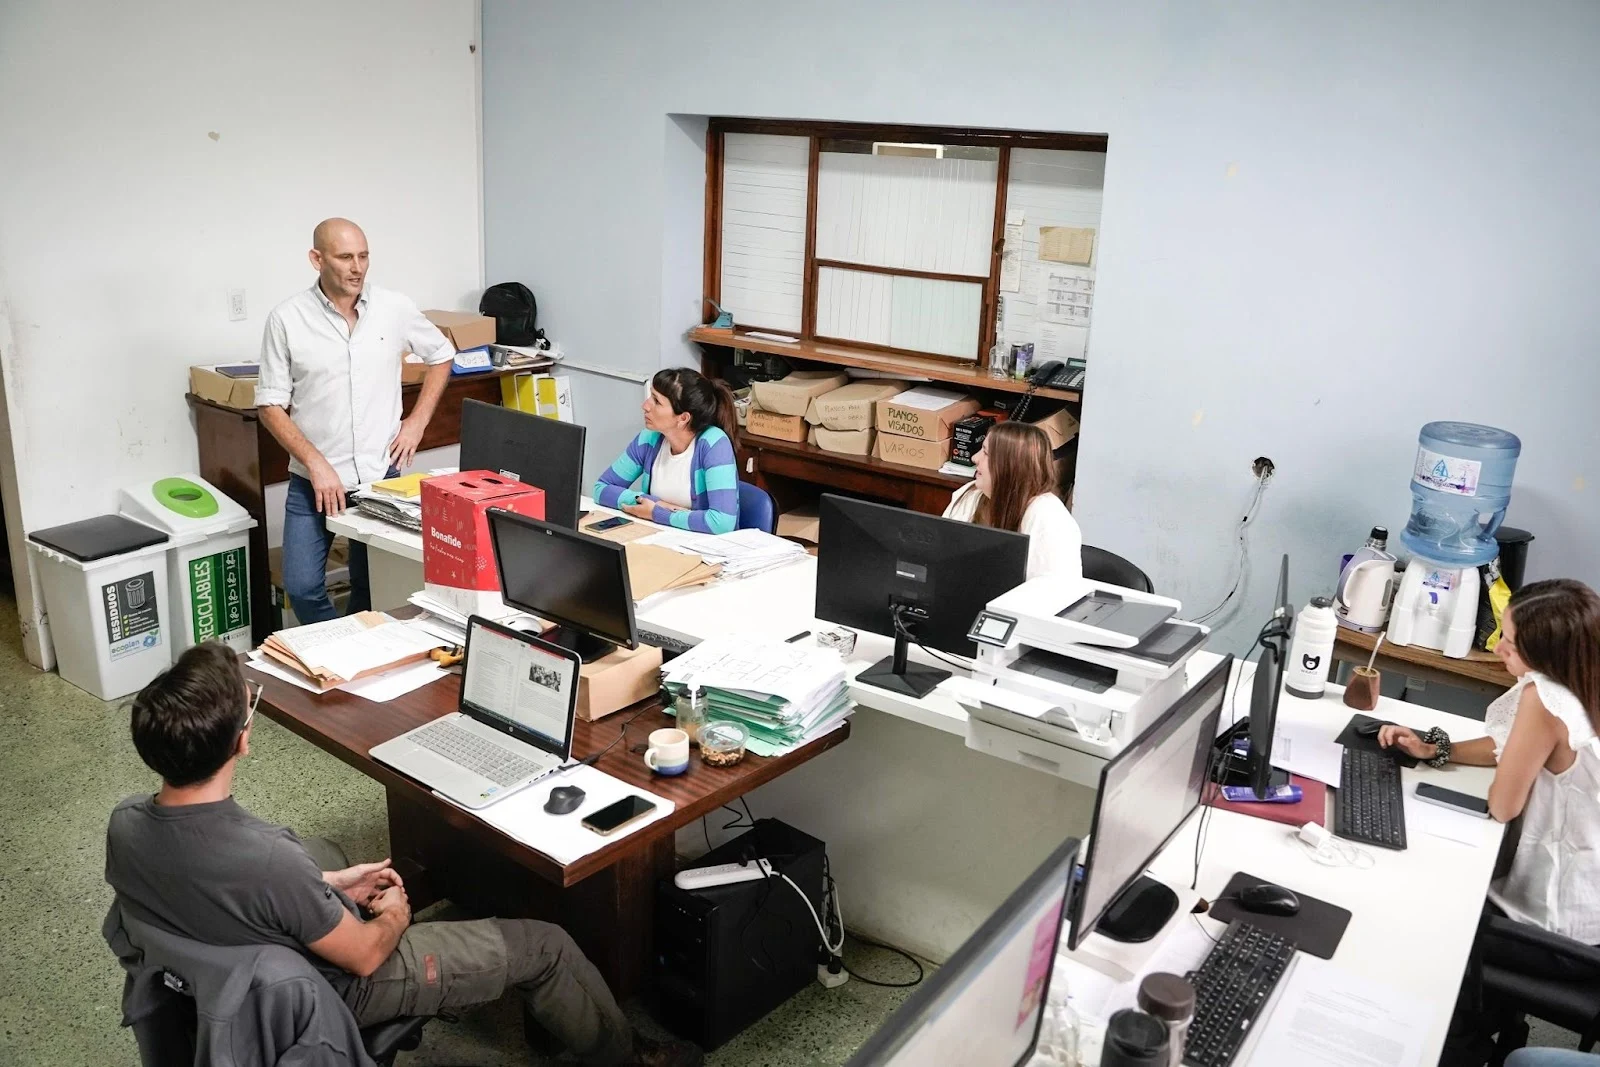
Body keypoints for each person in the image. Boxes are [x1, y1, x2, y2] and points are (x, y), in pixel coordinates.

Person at [104, 642, 701, 1067]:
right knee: (545, 946)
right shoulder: (267, 859)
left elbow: (243, 883)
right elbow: (364, 956)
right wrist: (394, 915)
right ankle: (626, 1056)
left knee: (321, 852)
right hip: (333, 987)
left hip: (220, 971)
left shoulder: (125, 824)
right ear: (241, 741)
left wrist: (326, 884)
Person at [257, 218, 456, 624]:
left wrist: (417, 422)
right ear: (317, 259)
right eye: (345, 257)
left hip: (380, 478)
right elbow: (270, 405)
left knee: (373, 588)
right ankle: (338, 643)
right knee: (302, 586)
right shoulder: (287, 319)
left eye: (363, 256)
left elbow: (442, 354)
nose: (357, 268)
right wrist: (315, 463)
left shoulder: (393, 308)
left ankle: (359, 648)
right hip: (314, 480)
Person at [593, 368, 739, 534]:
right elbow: (601, 488)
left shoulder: (714, 444)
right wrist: (645, 501)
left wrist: (657, 513)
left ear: (683, 418)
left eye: (656, 401)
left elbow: (722, 523)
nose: (645, 406)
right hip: (658, 537)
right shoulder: (649, 438)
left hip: (702, 545)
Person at [942, 421, 1082, 581]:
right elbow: (941, 558)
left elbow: (1055, 591)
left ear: (1010, 465)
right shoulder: (970, 495)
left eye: (986, 453)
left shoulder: (1050, 520)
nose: (975, 458)